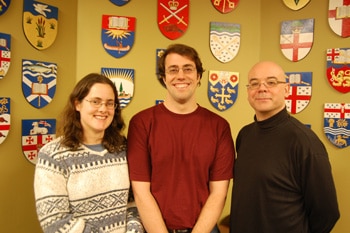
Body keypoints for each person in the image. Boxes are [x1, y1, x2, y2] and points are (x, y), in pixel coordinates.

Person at [127, 44, 235, 233]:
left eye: (188, 69)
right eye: (173, 70)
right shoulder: (141, 123)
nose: (181, 76)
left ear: (198, 76)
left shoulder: (219, 126)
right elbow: (141, 192)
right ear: (164, 77)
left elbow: (219, 193)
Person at [230, 61, 340, 233]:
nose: (262, 88)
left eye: (271, 82)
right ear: (248, 91)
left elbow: (327, 213)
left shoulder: (304, 142)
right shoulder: (245, 135)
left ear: (286, 89)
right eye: (254, 83)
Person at [34, 73, 144, 233]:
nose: (103, 109)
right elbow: (54, 221)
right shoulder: (52, 155)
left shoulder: (123, 148)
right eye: (95, 102)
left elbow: (135, 201)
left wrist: (133, 230)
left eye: (109, 103)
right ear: (77, 104)